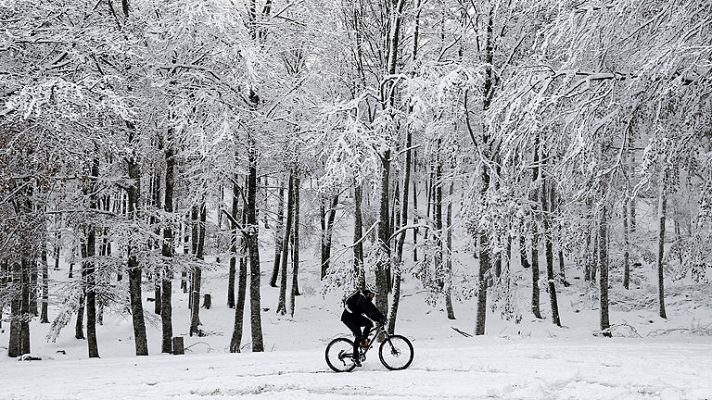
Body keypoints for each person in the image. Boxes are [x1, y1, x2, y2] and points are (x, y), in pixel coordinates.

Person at [341, 288, 386, 367]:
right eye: (372, 295)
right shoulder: (361, 299)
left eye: (374, 295)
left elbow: (374, 310)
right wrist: (378, 319)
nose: (372, 297)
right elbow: (369, 313)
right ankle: (355, 357)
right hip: (348, 318)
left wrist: (382, 317)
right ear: (368, 293)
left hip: (354, 316)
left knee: (369, 323)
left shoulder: (365, 299)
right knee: (358, 334)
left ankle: (363, 341)